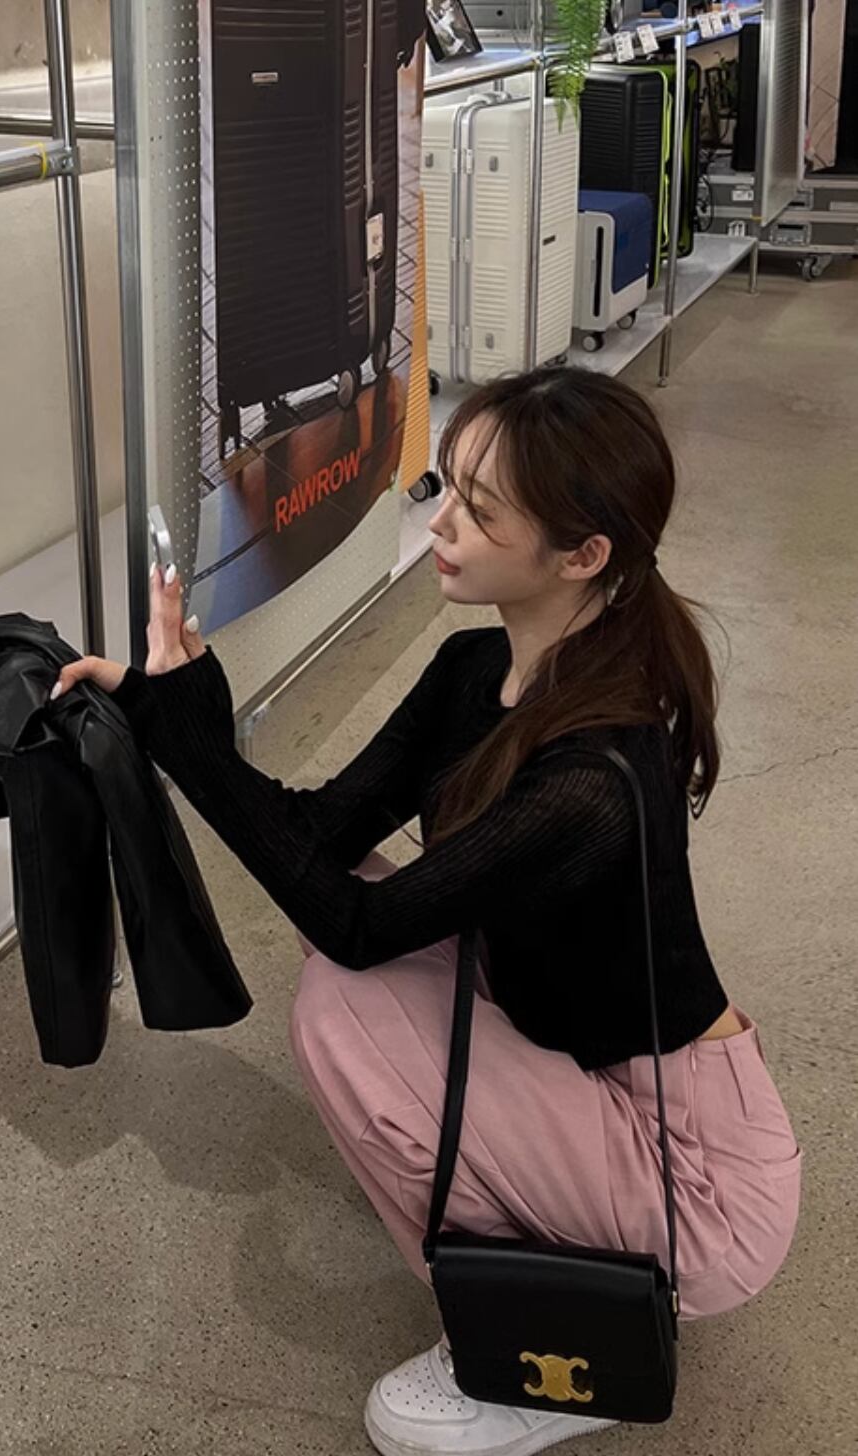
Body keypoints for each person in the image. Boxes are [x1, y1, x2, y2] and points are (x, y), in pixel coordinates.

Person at [51, 367, 801, 1456]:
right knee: (347, 926)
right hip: (583, 1061)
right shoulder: (474, 668)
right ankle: (530, 1233)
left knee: (342, 1006)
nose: (440, 523)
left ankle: (541, 1347)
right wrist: (176, 707)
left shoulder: (593, 777)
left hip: (695, 1180)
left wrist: (188, 739)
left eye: (480, 512)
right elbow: (322, 838)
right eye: (448, 487)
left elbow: (352, 931)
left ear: (583, 555)